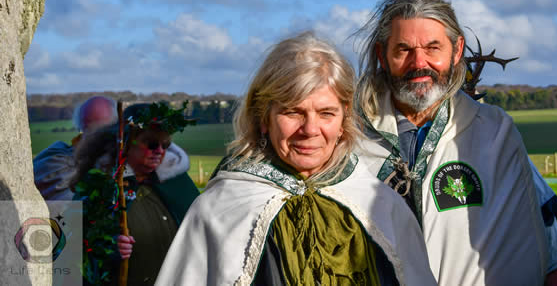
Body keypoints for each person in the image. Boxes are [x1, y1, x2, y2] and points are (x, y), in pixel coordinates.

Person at [155, 32, 436, 286]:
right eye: (293, 112)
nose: (310, 130)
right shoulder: (219, 210)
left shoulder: (382, 205)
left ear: (344, 119)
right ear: (264, 118)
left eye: (326, 113)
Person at [354, 0, 557, 285]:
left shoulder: (496, 137)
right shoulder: (348, 138)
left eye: (433, 48)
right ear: (382, 55)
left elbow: (550, 256)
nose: (419, 63)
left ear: (456, 51)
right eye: (403, 49)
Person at [71, 102, 200, 286]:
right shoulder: (99, 187)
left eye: (165, 145)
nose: (160, 151)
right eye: (152, 144)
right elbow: (71, 250)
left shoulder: (176, 183)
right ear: (127, 141)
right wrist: (107, 249)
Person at [33, 95, 117, 200]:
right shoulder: (57, 163)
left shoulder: (122, 161)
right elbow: (72, 207)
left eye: (103, 130)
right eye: (91, 130)